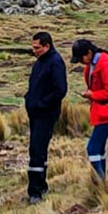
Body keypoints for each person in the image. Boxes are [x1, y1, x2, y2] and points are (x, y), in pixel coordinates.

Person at [23, 31, 68, 203]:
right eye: (33, 47)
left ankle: (35, 192)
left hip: (45, 114)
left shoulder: (55, 63)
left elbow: (60, 90)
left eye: (37, 48)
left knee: (37, 150)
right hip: (36, 113)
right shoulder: (40, 62)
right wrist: (29, 99)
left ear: (47, 46)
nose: (34, 51)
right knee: (35, 149)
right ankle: (40, 185)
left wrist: (41, 104)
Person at [71, 38, 108, 179]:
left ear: (89, 52)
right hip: (101, 111)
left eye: (81, 58)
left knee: (92, 148)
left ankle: (99, 180)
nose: (81, 62)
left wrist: (92, 95)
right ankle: (101, 179)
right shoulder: (94, 64)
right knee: (98, 148)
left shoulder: (105, 64)